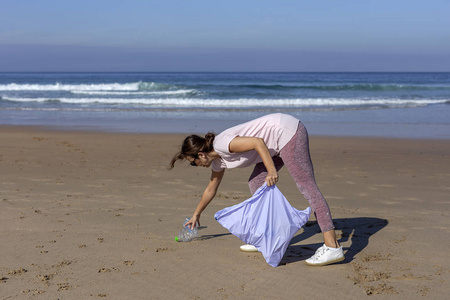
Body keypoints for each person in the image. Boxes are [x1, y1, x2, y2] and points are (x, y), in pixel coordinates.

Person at [169, 113, 344, 266]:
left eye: (193, 163)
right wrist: (196, 215)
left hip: (288, 132)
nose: (196, 166)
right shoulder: (218, 161)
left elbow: (257, 142)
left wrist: (271, 171)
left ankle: (332, 246)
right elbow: (210, 189)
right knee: (256, 183)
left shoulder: (222, 144)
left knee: (306, 186)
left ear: (200, 155)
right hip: (274, 146)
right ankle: (266, 239)